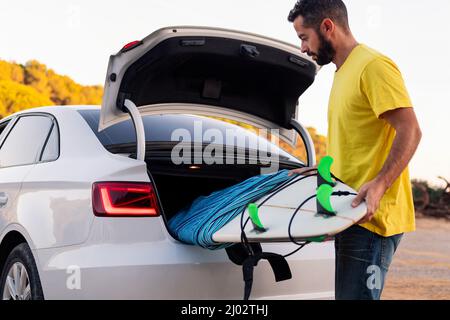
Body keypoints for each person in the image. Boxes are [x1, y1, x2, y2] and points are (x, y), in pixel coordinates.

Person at [287, 0, 422, 299]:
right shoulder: (342, 73)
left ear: (327, 27)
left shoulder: (373, 66)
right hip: (349, 210)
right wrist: (321, 169)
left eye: (303, 37)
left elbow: (410, 129)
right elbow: (357, 142)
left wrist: (379, 185)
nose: (303, 49)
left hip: (372, 217)